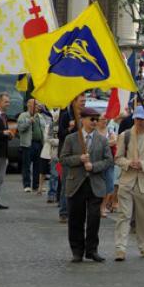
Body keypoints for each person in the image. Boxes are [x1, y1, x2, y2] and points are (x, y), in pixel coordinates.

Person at [59, 107, 114, 263]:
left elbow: (109, 160)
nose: (95, 122)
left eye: (97, 119)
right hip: (76, 183)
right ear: (82, 120)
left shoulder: (102, 139)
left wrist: (94, 166)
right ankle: (77, 250)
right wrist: (79, 159)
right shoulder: (71, 138)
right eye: (92, 119)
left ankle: (92, 250)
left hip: (95, 184)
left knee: (94, 219)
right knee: (76, 219)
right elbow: (63, 159)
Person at [113, 106, 144, 261]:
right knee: (123, 215)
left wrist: (143, 165)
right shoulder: (125, 135)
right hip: (127, 180)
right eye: (137, 118)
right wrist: (128, 163)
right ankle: (120, 248)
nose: (139, 121)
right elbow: (118, 158)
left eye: (142, 118)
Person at [57, 93, 86, 223]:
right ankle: (64, 212)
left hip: (82, 154)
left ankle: (76, 211)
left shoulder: (86, 115)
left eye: (85, 101)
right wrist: (70, 128)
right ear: (74, 102)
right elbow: (60, 135)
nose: (83, 103)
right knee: (67, 183)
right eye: (81, 100)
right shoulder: (65, 116)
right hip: (69, 154)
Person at [17, 99, 47, 193]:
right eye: (36, 104)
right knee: (26, 165)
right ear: (29, 105)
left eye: (38, 104)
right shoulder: (23, 115)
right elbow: (20, 128)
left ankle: (36, 185)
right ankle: (27, 185)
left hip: (39, 143)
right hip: (28, 143)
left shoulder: (41, 117)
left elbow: (44, 129)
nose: (38, 106)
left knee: (38, 165)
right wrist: (29, 121)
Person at [95, 115, 117, 218]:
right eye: (102, 119)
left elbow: (115, 141)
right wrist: (107, 143)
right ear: (97, 121)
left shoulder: (110, 130)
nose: (104, 121)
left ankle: (103, 207)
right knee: (98, 185)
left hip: (109, 162)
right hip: (97, 162)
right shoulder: (94, 131)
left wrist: (103, 144)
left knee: (110, 185)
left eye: (105, 119)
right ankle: (98, 207)